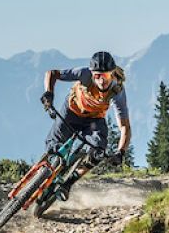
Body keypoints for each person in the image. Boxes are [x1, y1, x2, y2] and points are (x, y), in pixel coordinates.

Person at [39, 51, 132, 199]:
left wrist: (121, 152)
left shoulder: (117, 90)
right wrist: (49, 94)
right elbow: (52, 74)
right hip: (71, 111)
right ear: (92, 74)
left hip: (94, 120)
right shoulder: (84, 74)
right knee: (53, 145)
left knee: (98, 151)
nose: (102, 81)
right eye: (97, 76)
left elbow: (125, 126)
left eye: (106, 76)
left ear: (112, 74)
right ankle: (41, 174)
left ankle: (68, 183)